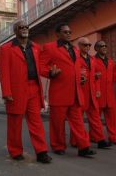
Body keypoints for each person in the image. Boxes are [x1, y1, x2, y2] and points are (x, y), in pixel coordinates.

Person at [0, 21, 52, 163]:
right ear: (15, 31)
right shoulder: (6, 49)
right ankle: (15, 151)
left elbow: (40, 67)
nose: (24, 29)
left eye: (26, 27)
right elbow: (4, 73)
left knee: (36, 122)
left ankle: (41, 152)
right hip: (16, 91)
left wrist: (51, 72)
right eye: (20, 27)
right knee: (15, 123)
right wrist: (6, 92)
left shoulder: (35, 47)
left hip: (34, 88)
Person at [39, 23, 96, 157]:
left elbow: (76, 67)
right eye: (65, 32)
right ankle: (58, 146)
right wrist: (50, 73)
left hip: (76, 93)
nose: (69, 34)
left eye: (70, 32)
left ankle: (83, 147)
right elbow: (40, 66)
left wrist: (81, 77)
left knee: (78, 122)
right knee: (57, 124)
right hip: (59, 93)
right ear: (58, 34)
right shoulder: (50, 47)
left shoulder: (75, 50)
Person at [70, 37, 110, 149]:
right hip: (80, 92)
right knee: (78, 119)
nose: (87, 47)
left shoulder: (92, 59)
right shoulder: (74, 58)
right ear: (79, 46)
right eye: (85, 45)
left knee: (95, 117)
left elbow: (96, 76)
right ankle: (75, 141)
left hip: (91, 93)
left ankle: (100, 140)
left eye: (89, 45)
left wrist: (97, 89)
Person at [93, 40, 116, 145]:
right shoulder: (92, 60)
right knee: (96, 118)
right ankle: (97, 137)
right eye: (101, 46)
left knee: (112, 118)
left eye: (105, 45)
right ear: (96, 48)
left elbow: (114, 76)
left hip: (109, 94)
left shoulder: (110, 61)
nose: (104, 47)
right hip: (98, 93)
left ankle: (114, 138)